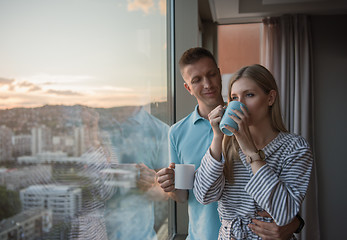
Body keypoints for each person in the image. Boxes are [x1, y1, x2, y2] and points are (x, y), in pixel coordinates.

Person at [157, 47, 305, 240]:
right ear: (188, 87)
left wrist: (294, 222)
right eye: (197, 79)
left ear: (220, 74)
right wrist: (171, 185)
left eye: (211, 74)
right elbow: (191, 195)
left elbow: (283, 206)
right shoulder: (178, 132)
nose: (208, 84)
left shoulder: (270, 136)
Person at [193, 64, 313, 239]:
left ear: (270, 98)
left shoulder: (295, 148)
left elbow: (284, 212)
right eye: (234, 97)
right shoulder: (225, 147)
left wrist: (251, 152)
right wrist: (217, 137)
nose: (240, 104)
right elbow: (204, 195)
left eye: (249, 95)